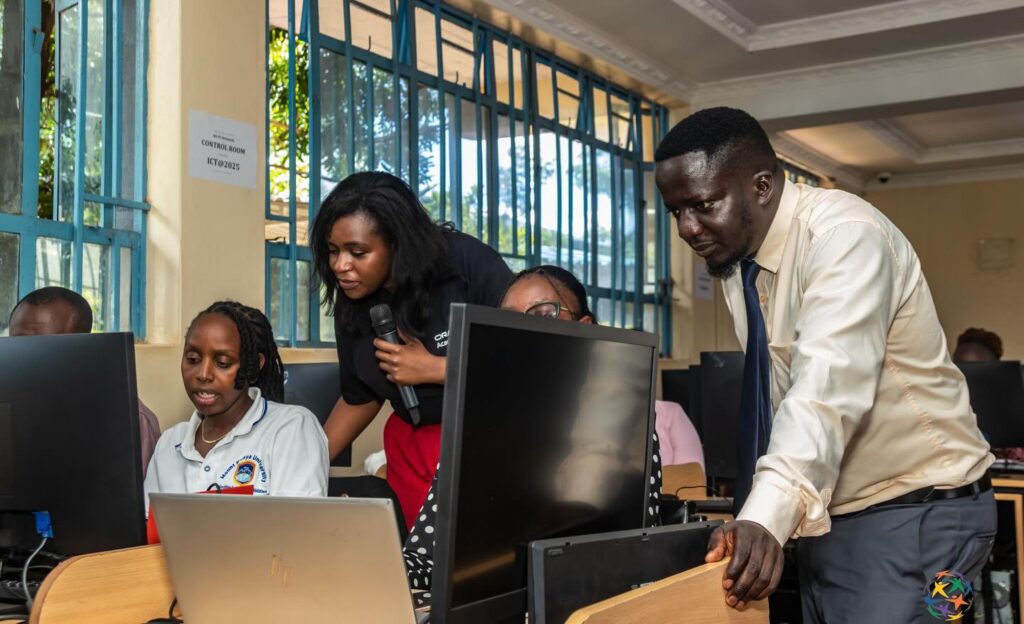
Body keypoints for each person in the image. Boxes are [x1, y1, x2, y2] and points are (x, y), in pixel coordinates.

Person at [654, 107, 994, 621]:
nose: (686, 228)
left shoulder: (845, 235)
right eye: (674, 211)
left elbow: (824, 390)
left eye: (702, 205)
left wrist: (766, 517)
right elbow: (780, 397)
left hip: (918, 512)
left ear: (762, 186)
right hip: (832, 518)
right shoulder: (739, 266)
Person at [401, 265, 664, 600]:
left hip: (579, 600)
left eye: (543, 313)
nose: (524, 327)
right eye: (510, 317)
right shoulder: (475, 419)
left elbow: (633, 559)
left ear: (585, 327)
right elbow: (425, 556)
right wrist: (384, 572)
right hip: (471, 602)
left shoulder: (620, 419)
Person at [310, 172, 512, 529]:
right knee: (417, 566)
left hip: (487, 444)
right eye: (333, 250)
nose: (340, 265)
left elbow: (529, 359)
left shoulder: (465, 263)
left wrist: (437, 369)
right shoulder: (351, 299)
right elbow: (361, 395)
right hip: (409, 447)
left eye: (358, 252)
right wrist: (307, 461)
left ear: (397, 244)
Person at [144, 301, 328, 503]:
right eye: (193, 359)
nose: (203, 374)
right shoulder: (169, 443)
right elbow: (148, 528)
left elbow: (298, 526)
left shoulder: (291, 429)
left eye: (222, 363)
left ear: (253, 366)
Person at [7, 286, 162, 476]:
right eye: (19, 343)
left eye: (47, 347)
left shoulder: (129, 418)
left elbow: (142, 501)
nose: (30, 357)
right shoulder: (7, 407)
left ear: (84, 347)